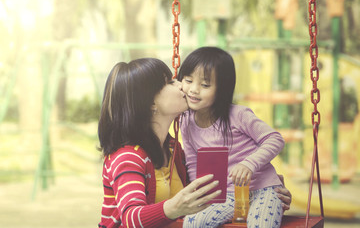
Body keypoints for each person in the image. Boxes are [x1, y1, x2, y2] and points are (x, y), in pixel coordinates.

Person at [97, 58, 222, 228]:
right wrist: (174, 207)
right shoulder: (128, 157)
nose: (181, 85)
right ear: (150, 102)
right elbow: (131, 217)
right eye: (170, 82)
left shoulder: (172, 149)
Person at [178, 47, 287, 228]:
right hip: (226, 195)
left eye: (205, 85)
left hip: (263, 189)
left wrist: (248, 164)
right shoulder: (186, 121)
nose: (194, 90)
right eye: (188, 80)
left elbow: (274, 139)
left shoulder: (238, 115)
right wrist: (199, 195)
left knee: (260, 225)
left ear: (222, 89)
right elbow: (192, 162)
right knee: (193, 222)